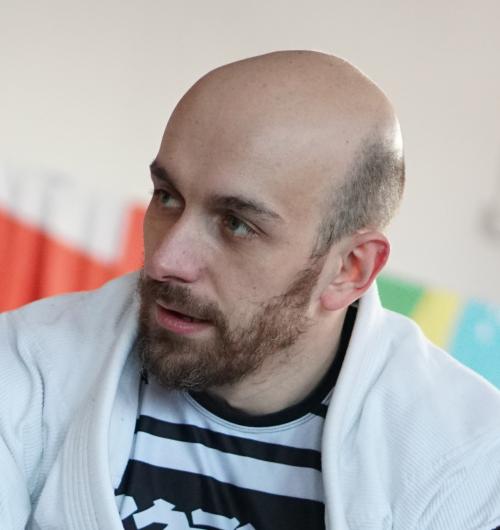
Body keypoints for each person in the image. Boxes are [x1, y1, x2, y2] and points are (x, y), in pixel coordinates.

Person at [1, 51, 500, 530]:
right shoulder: (29, 363)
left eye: (237, 224)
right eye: (167, 197)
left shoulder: (468, 462)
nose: (165, 261)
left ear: (349, 269)